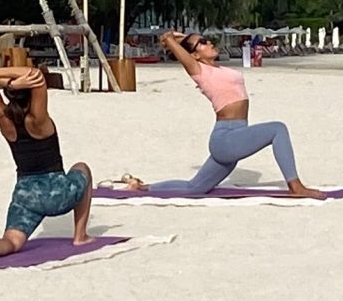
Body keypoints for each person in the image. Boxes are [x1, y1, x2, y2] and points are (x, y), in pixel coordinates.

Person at [126, 31, 324, 199]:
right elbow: (174, 44)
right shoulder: (198, 70)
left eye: (207, 39)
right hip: (226, 138)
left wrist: (189, 38)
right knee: (277, 129)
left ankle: (143, 187)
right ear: (194, 55)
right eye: (203, 43)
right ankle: (295, 186)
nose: (209, 42)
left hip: (235, 135)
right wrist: (170, 38)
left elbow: (189, 46)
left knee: (195, 187)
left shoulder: (216, 68)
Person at [0, 65, 94, 262]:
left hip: (25, 195)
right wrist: (0, 76)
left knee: (12, 241)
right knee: (82, 168)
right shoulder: (38, 120)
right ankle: (80, 236)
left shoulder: (3, 119)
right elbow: (37, 75)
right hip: (57, 193)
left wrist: (6, 83)